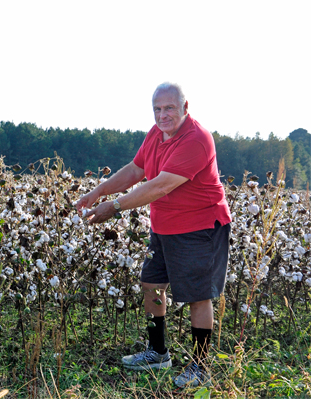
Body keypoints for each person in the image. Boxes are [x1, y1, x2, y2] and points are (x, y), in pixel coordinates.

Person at [75, 82, 231, 388]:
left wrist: (115, 206)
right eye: (157, 109)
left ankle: (200, 367)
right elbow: (136, 170)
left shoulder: (196, 140)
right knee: (151, 284)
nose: (163, 115)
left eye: (169, 108)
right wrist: (99, 191)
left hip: (200, 228)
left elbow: (160, 185)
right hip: (164, 227)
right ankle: (158, 352)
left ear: (185, 108)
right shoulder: (156, 134)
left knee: (198, 297)